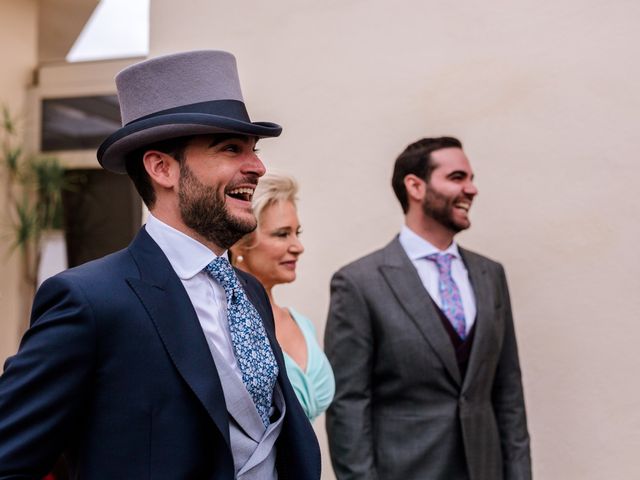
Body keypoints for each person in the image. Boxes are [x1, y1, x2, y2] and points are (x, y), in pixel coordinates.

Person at [0, 50, 320, 479]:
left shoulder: (250, 292)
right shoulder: (90, 301)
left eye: (254, 150)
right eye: (230, 149)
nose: (257, 167)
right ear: (162, 168)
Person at [325, 137, 531, 480]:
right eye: (457, 178)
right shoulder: (359, 283)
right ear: (415, 186)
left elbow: (509, 392)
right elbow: (348, 406)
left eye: (471, 178)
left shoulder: (490, 275)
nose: (472, 189)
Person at [230, 173, 335, 422]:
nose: (298, 246)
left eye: (297, 233)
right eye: (282, 234)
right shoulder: (224, 323)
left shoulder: (301, 323)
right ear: (239, 243)